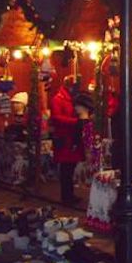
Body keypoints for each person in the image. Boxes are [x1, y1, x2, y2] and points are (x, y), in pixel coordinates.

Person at [50, 76, 84, 204]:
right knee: (66, 168)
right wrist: (75, 121)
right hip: (64, 137)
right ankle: (66, 196)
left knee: (70, 167)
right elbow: (57, 117)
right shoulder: (58, 99)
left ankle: (69, 194)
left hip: (72, 137)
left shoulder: (71, 98)